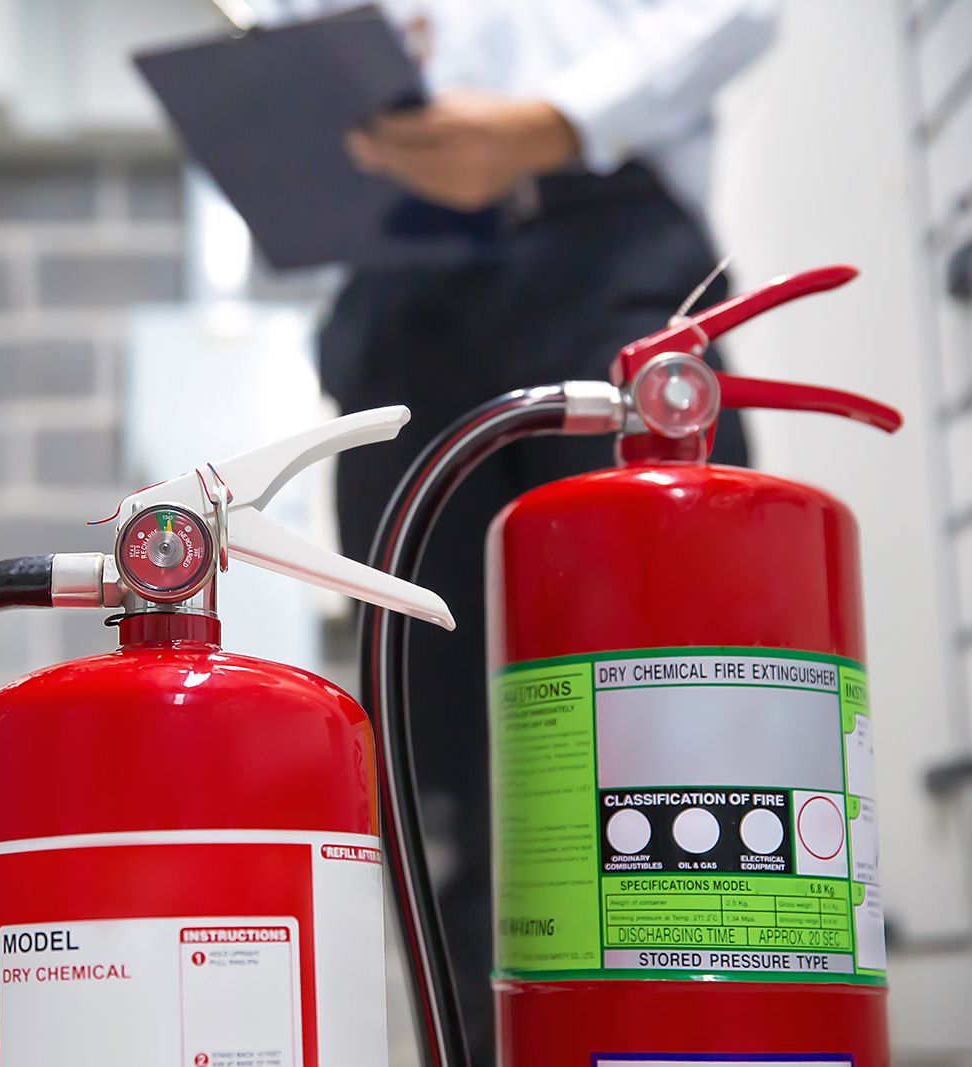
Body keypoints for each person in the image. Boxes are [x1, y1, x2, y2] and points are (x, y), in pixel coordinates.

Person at [306, 1, 777, 1061]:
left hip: (605, 233)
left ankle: (702, 1028)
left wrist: (558, 118)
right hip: (400, 265)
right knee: (429, 707)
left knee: (670, 668)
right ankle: (475, 1038)